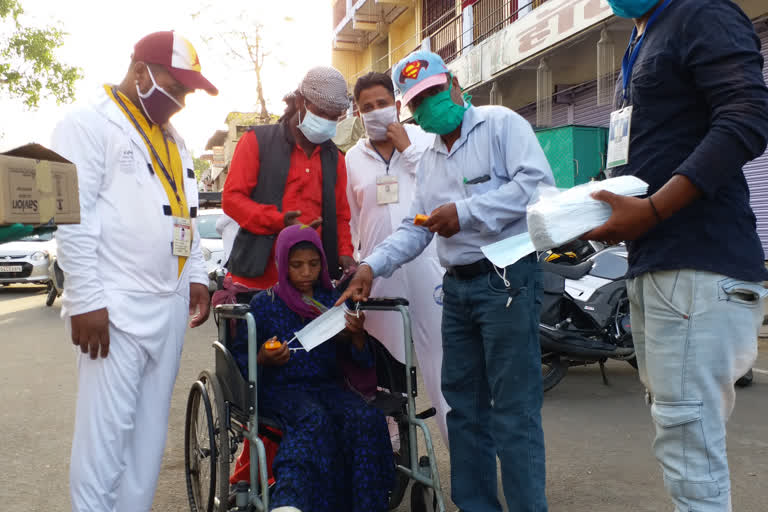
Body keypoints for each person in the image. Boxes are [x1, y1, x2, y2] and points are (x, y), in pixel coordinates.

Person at [339, 50, 554, 512]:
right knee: (461, 407)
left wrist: (466, 213)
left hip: (507, 281)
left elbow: (536, 188)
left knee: (513, 410)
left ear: (455, 84)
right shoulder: (431, 157)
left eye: (436, 92)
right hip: (456, 288)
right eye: (419, 102)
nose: (430, 106)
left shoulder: (500, 125)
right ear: (410, 109)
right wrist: (371, 266)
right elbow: (418, 227)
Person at [584, 1, 768, 511]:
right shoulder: (645, 33)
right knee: (683, 440)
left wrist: (653, 211)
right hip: (662, 263)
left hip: (696, 262)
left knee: (690, 452)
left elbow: (747, 117)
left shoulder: (700, 13)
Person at [50, 31, 215, 511]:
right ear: (140, 71)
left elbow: (185, 215)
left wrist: (199, 274)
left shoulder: (175, 141)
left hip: (168, 306)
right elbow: (73, 218)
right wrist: (84, 298)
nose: (181, 101)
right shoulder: (87, 125)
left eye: (186, 92)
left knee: (147, 442)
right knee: (104, 442)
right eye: (176, 87)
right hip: (114, 309)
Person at [230, 224, 393, 512]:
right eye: (296, 265)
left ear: (322, 261)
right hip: (281, 389)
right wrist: (263, 358)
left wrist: (355, 337)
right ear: (282, 264)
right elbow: (242, 362)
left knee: (365, 419)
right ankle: (289, 501)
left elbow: (362, 362)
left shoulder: (333, 301)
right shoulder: (264, 305)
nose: (306, 272)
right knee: (313, 419)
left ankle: (366, 505)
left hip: (329, 386)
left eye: (314, 264)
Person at [345, 71, 449, 444]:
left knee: (442, 368)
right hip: (378, 274)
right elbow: (354, 220)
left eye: (382, 103)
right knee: (386, 375)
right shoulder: (352, 159)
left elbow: (441, 188)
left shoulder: (424, 140)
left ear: (397, 103)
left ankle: (464, 467)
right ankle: (392, 459)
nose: (376, 112)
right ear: (357, 114)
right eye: (366, 107)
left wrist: (408, 149)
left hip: (427, 268)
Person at [222, 66, 356, 291]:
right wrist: (280, 222)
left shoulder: (336, 158)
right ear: (300, 102)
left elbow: (341, 215)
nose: (327, 122)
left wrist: (345, 253)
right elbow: (232, 200)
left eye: (333, 118)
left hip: (311, 282)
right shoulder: (256, 141)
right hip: (257, 280)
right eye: (321, 113)